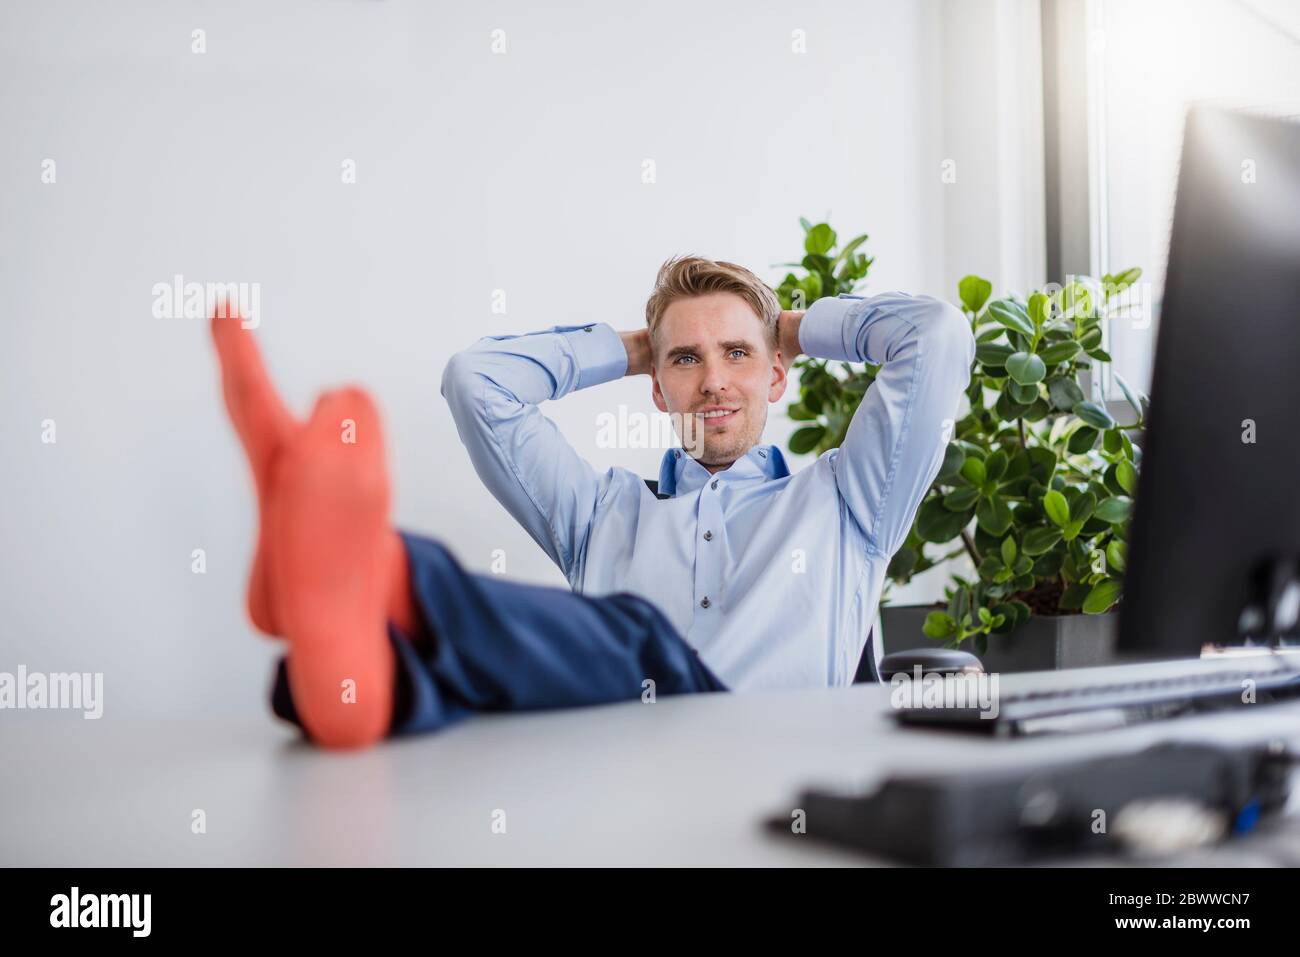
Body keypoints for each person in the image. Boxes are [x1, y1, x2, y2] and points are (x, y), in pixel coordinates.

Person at [211, 256, 974, 749]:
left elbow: (935, 336)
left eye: (738, 355)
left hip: (776, 774)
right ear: (657, 386)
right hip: (616, 784)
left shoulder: (848, 497)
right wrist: (635, 345)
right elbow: (475, 382)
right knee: (507, 676)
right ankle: (355, 684)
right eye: (685, 360)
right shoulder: (603, 511)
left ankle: (372, 572)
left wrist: (791, 329)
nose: (712, 380)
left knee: (629, 636)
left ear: (778, 376)